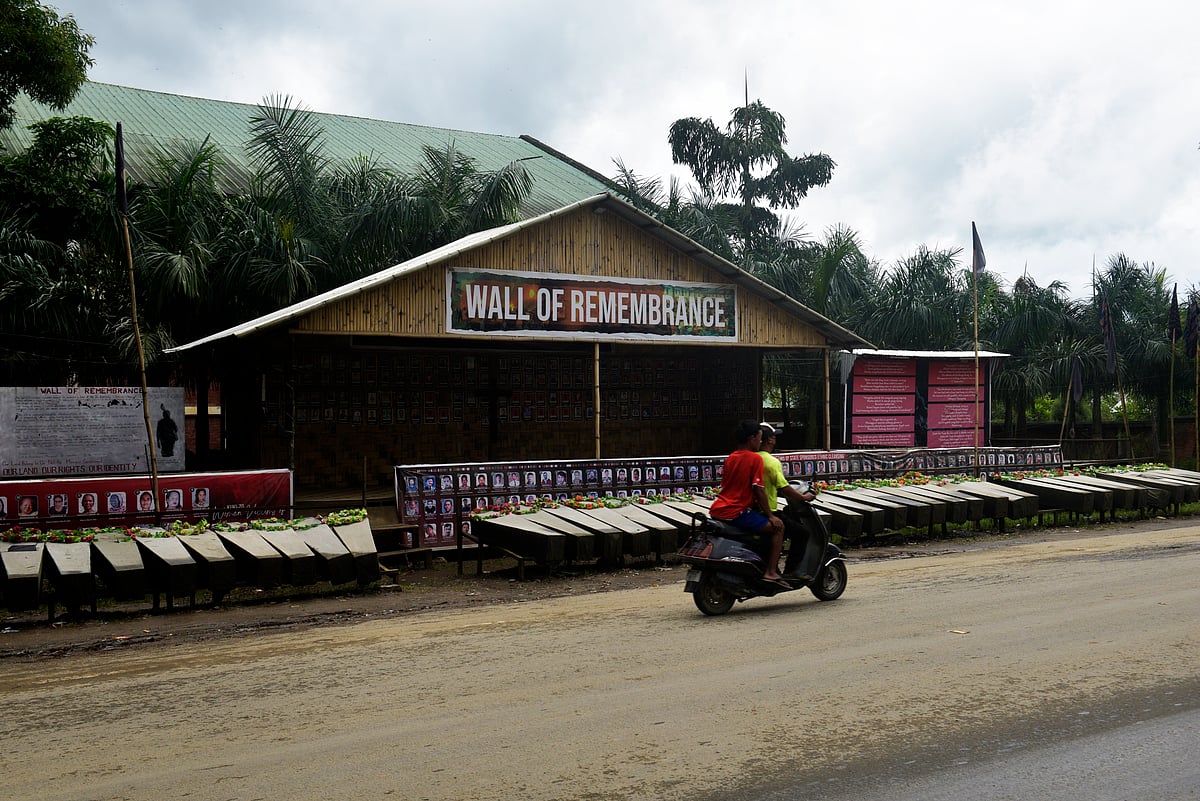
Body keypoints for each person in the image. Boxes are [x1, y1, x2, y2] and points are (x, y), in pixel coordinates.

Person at [709, 420, 786, 586]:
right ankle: (771, 572)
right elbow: (759, 489)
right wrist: (771, 515)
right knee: (778, 529)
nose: (761, 441)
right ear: (752, 438)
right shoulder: (754, 459)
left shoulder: (731, 457)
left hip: (718, 508)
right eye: (759, 438)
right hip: (737, 511)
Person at [758, 423, 818, 581]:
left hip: (752, 510)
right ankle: (792, 571)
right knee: (802, 533)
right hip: (768, 511)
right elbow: (784, 487)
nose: (775, 439)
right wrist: (804, 497)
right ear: (769, 440)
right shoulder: (771, 462)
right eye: (773, 436)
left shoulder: (751, 458)